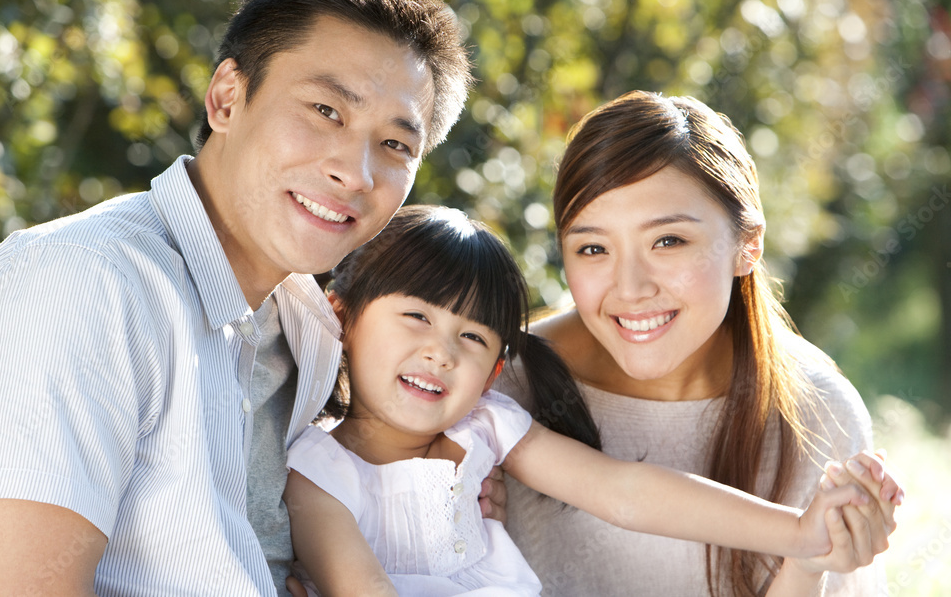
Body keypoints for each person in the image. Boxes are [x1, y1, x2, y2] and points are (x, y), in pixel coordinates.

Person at [0, 0, 471, 596]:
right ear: (227, 98)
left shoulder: (310, 325)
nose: (355, 172)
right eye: (325, 111)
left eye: (395, 144)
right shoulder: (85, 284)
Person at [282, 204, 901, 597]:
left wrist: (798, 533)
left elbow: (624, 494)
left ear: (498, 369)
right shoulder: (317, 470)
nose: (441, 353)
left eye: (471, 337)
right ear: (344, 315)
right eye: (415, 316)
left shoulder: (488, 425)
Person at [495, 90, 899, 595]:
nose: (630, 288)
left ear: (747, 245)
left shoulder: (816, 415)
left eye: (668, 241)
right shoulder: (500, 386)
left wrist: (808, 562)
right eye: (593, 248)